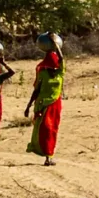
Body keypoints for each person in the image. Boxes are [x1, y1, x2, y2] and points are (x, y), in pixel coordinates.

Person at [25, 32, 65, 166]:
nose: (53, 67)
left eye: (55, 65)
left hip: (55, 104)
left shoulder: (60, 72)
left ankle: (49, 155)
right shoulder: (43, 73)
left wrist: (55, 44)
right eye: (51, 65)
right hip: (42, 104)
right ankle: (45, 154)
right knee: (45, 129)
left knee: (52, 129)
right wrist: (28, 106)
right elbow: (36, 90)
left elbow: (61, 58)